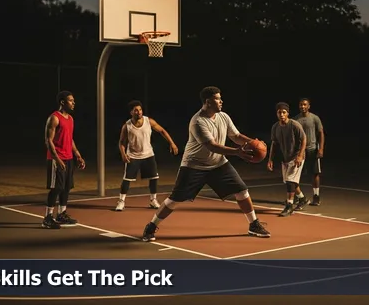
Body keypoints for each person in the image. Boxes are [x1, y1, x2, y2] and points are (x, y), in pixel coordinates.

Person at [141, 86, 269, 242]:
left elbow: (235, 135)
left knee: (242, 191)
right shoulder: (198, 122)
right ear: (208, 102)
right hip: (194, 166)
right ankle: (152, 226)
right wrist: (237, 152)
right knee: (175, 200)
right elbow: (212, 146)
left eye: (221, 98)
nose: (221, 101)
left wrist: (253, 142)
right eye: (218, 98)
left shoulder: (223, 117)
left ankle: (253, 224)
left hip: (218, 164)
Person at [115, 100, 179, 211]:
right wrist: (123, 154)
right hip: (133, 156)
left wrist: (172, 143)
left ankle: (153, 200)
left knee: (154, 178)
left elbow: (162, 131)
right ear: (131, 112)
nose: (139, 112)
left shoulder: (148, 121)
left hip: (148, 154)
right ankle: (121, 201)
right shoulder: (127, 126)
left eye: (140, 109)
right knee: (127, 179)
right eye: (136, 110)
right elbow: (121, 142)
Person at [43, 91, 86, 229]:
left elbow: (69, 138)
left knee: (66, 187)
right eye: (71, 100)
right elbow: (48, 140)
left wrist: (77, 154)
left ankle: (61, 214)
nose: (74, 103)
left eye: (73, 100)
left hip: (69, 158)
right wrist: (57, 158)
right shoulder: (54, 118)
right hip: (57, 158)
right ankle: (48, 218)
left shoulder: (71, 119)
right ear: (62, 102)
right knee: (57, 188)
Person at [268, 102, 308, 217]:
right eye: (279, 112)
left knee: (290, 181)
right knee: (291, 181)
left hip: (296, 156)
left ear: (287, 113)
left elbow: (304, 139)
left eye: (283, 112)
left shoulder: (294, 125)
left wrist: (300, 155)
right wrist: (270, 159)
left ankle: (289, 206)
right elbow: (274, 144)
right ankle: (302, 199)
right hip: (285, 157)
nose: (281, 114)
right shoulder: (275, 127)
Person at [294, 98, 324, 206]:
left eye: (305, 105)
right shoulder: (295, 119)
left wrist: (321, 149)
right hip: (300, 151)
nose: (302, 106)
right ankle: (297, 197)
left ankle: (316, 196)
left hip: (312, 149)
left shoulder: (315, 118)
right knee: (295, 175)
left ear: (309, 106)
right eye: (301, 105)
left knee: (315, 173)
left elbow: (321, 133)